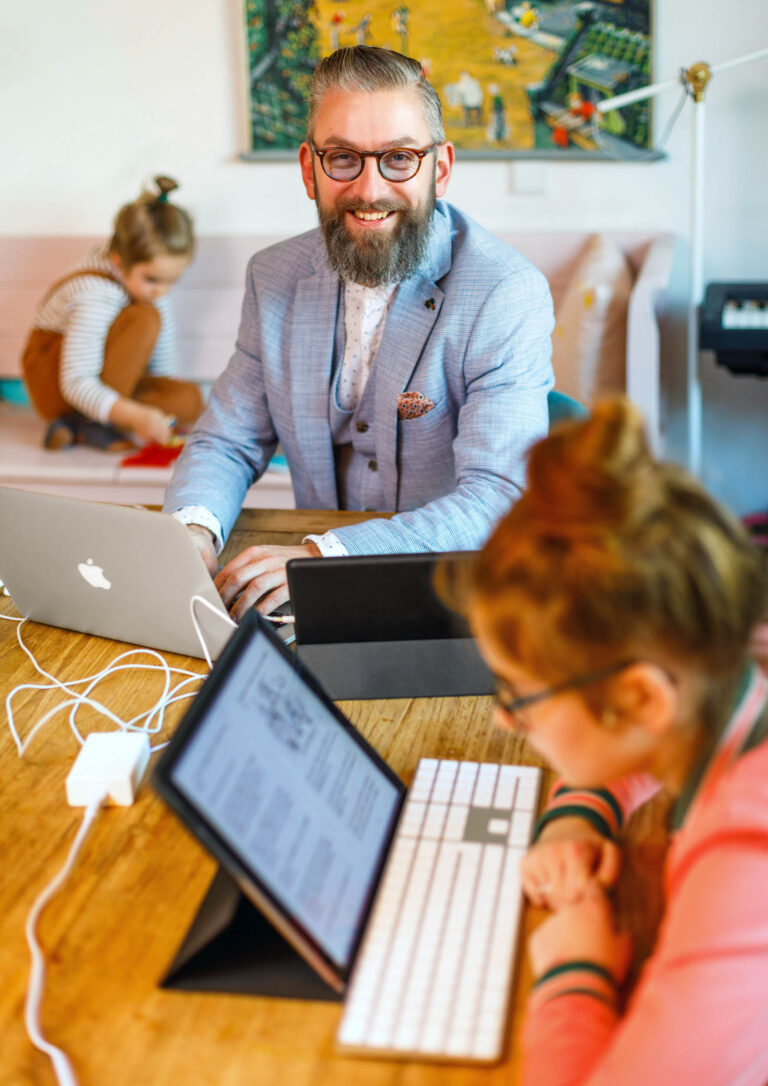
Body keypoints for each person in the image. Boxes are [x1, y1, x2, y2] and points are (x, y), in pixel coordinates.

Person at [165, 46, 554, 620]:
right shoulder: (272, 276)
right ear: (308, 169)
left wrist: (323, 557)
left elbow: (500, 496)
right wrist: (191, 533)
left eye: (399, 157)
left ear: (439, 169)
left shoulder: (505, 291)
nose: (370, 189)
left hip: (454, 599)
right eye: (342, 157)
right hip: (309, 604)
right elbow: (227, 440)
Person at [454, 398, 768, 1085]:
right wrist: (576, 815)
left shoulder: (747, 863)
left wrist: (576, 972)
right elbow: (642, 744)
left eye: (521, 694)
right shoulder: (730, 660)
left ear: (639, 699)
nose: (507, 718)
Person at [22, 176, 202, 451]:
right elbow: (76, 381)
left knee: (189, 401)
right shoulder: (95, 292)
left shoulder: (146, 287)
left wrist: (161, 401)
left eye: (172, 281)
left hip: (113, 378)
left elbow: (162, 362)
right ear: (119, 260)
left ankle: (80, 425)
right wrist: (135, 415)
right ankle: (90, 422)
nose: (162, 291)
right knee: (145, 318)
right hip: (59, 384)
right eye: (153, 280)